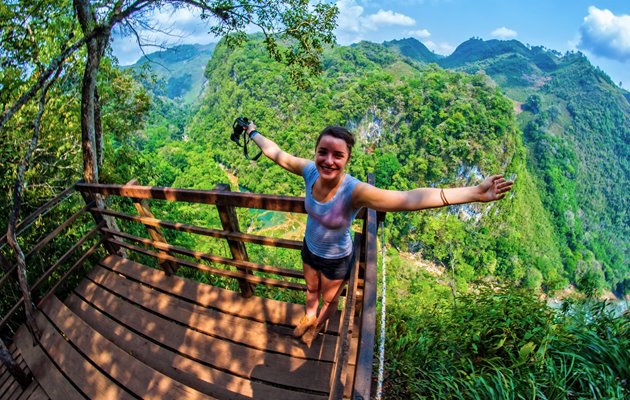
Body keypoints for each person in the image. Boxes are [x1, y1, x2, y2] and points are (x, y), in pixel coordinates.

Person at [245, 123, 513, 346]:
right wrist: (253, 132)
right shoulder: (309, 171)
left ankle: (315, 327)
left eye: (337, 155)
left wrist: (474, 193)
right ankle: (307, 318)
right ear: (315, 152)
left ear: (347, 159)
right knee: (311, 290)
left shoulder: (354, 191)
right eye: (322, 152)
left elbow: (408, 199)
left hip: (336, 258)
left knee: (329, 299)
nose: (328, 160)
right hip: (309, 248)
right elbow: (276, 153)